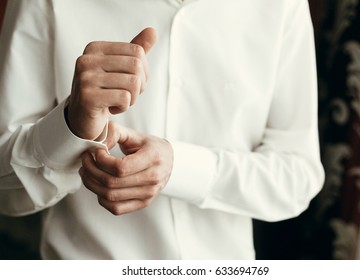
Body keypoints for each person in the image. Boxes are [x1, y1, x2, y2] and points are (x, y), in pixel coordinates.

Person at [0, 0, 324, 259]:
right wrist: (71, 125)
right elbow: (5, 193)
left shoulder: (282, 6)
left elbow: (297, 175)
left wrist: (178, 169)